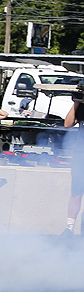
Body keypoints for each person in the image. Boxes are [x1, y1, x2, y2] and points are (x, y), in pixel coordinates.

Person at [62, 99, 84, 236]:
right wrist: (76, 102)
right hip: (81, 154)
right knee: (76, 192)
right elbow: (68, 124)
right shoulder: (81, 107)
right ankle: (69, 228)